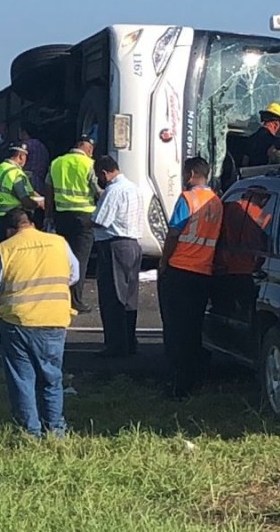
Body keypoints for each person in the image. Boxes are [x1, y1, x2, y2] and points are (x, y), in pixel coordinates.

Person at [0, 208, 79, 438]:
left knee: (23, 379)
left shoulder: (5, 249)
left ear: (10, 230)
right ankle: (55, 429)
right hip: (55, 319)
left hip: (17, 322)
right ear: (31, 223)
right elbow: (74, 275)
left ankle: (30, 432)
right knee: (52, 376)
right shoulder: (58, 243)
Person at [159, 157, 223, 398]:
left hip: (181, 268)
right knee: (194, 328)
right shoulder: (216, 201)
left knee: (176, 330)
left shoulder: (188, 198)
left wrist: (164, 262)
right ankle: (195, 380)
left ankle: (177, 385)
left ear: (193, 173)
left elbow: (174, 232)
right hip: (203, 271)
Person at [91, 155, 144, 357]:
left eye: (99, 176)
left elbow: (101, 220)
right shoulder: (133, 188)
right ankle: (129, 341)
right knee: (129, 298)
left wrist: (86, 221)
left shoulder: (113, 191)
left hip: (114, 245)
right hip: (133, 244)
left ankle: (115, 345)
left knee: (112, 296)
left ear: (104, 173)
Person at [46, 135, 102, 313]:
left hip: (62, 215)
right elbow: (97, 190)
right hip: (84, 217)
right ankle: (75, 300)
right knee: (80, 260)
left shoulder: (57, 162)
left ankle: (58, 297)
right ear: (89, 149)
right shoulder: (89, 164)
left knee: (62, 258)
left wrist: (48, 215)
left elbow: (49, 190)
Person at [0, 142, 43, 245]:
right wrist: (38, 204)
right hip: (14, 218)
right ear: (21, 156)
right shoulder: (16, 173)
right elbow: (24, 199)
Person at [245, 102, 280, 167]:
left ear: (277, 124)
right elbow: (246, 158)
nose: (265, 125)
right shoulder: (258, 135)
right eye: (265, 121)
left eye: (267, 121)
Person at [19, 121, 49, 196]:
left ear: (24, 132)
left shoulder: (25, 145)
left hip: (27, 181)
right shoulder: (43, 146)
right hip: (40, 182)